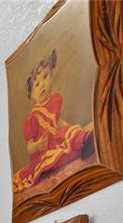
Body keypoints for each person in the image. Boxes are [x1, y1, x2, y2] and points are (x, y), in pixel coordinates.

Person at [12, 49, 94, 193]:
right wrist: (37, 145)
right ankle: (77, 151)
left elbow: (58, 122)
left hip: (56, 138)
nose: (42, 85)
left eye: (45, 77)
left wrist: (72, 130)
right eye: (37, 85)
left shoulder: (54, 101)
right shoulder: (32, 117)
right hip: (44, 150)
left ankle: (85, 141)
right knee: (56, 157)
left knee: (71, 133)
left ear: (51, 78)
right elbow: (29, 146)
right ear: (31, 95)